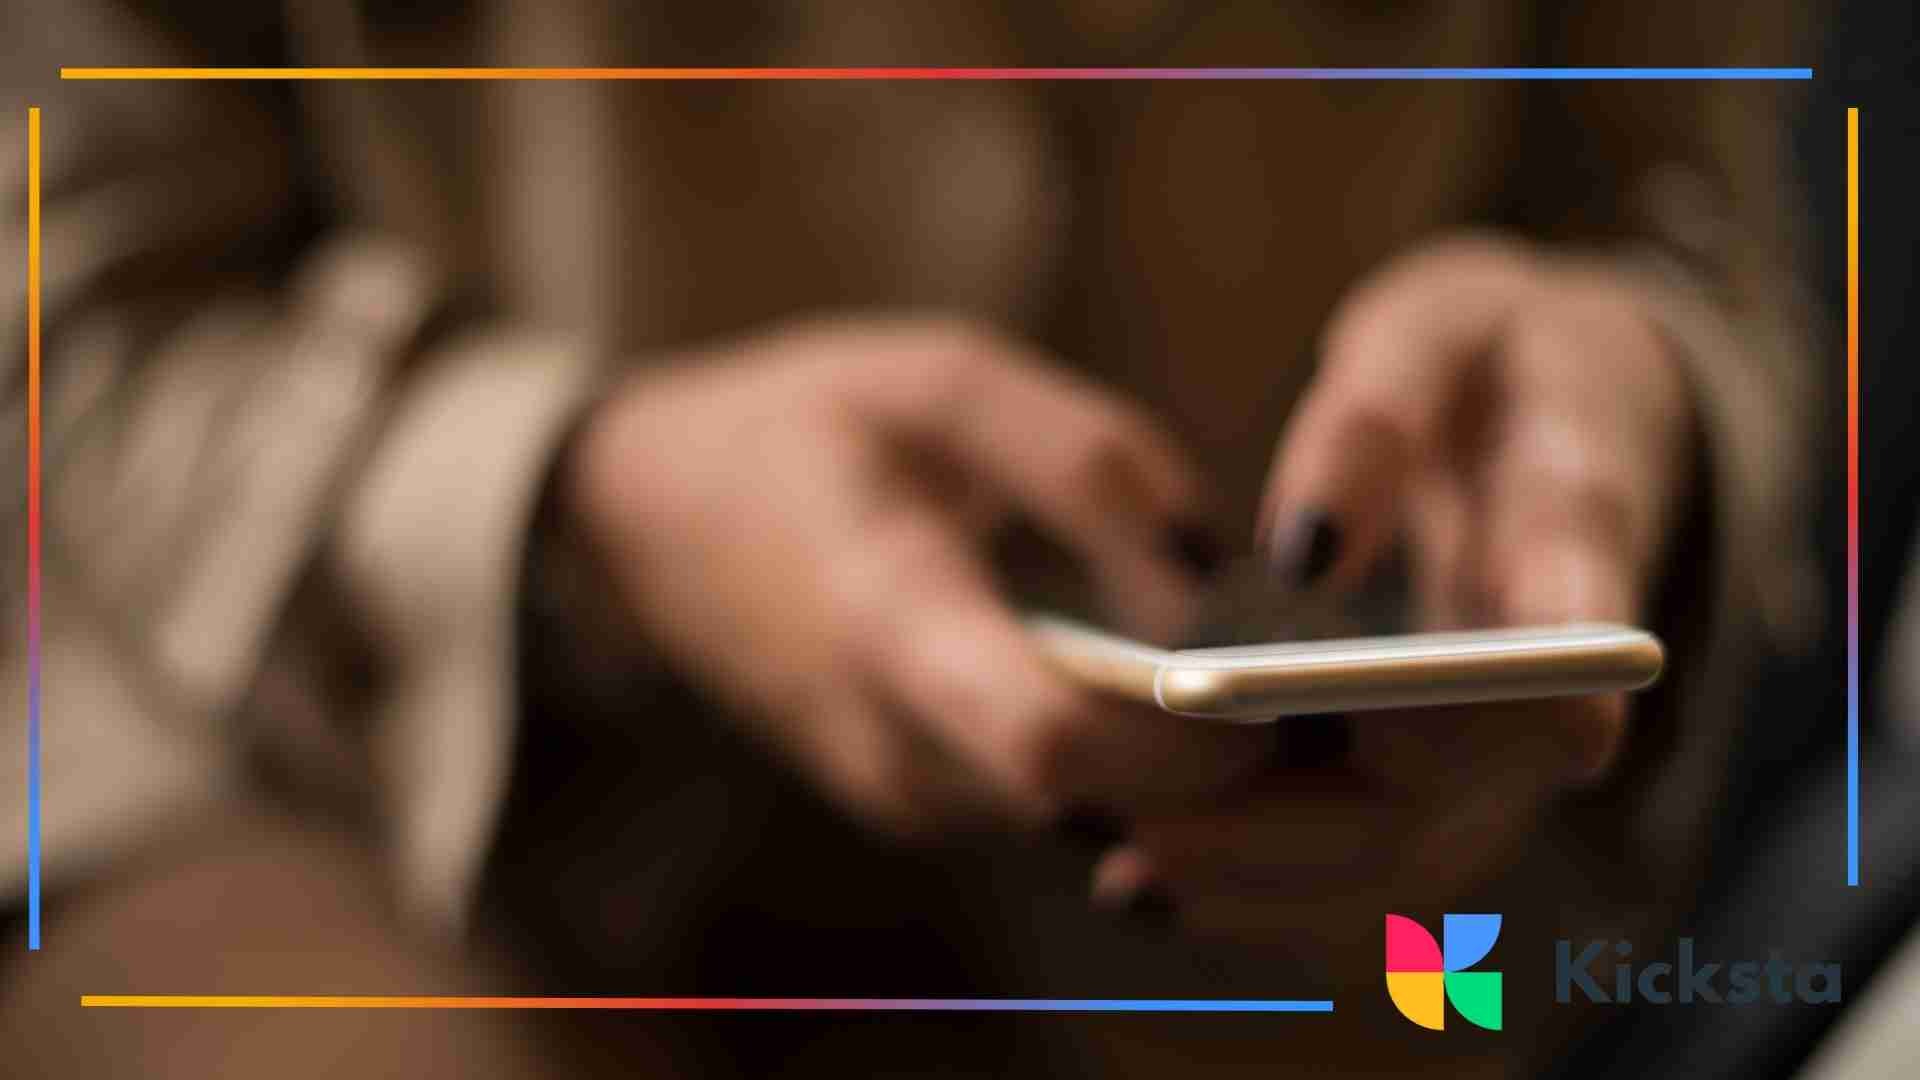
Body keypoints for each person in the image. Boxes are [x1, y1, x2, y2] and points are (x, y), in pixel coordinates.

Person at [1, 1, 1818, 1075]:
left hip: (1335, 949)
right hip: (359, 823)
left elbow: (1706, 216)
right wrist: (572, 491)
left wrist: (1632, 406)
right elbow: (71, 321)